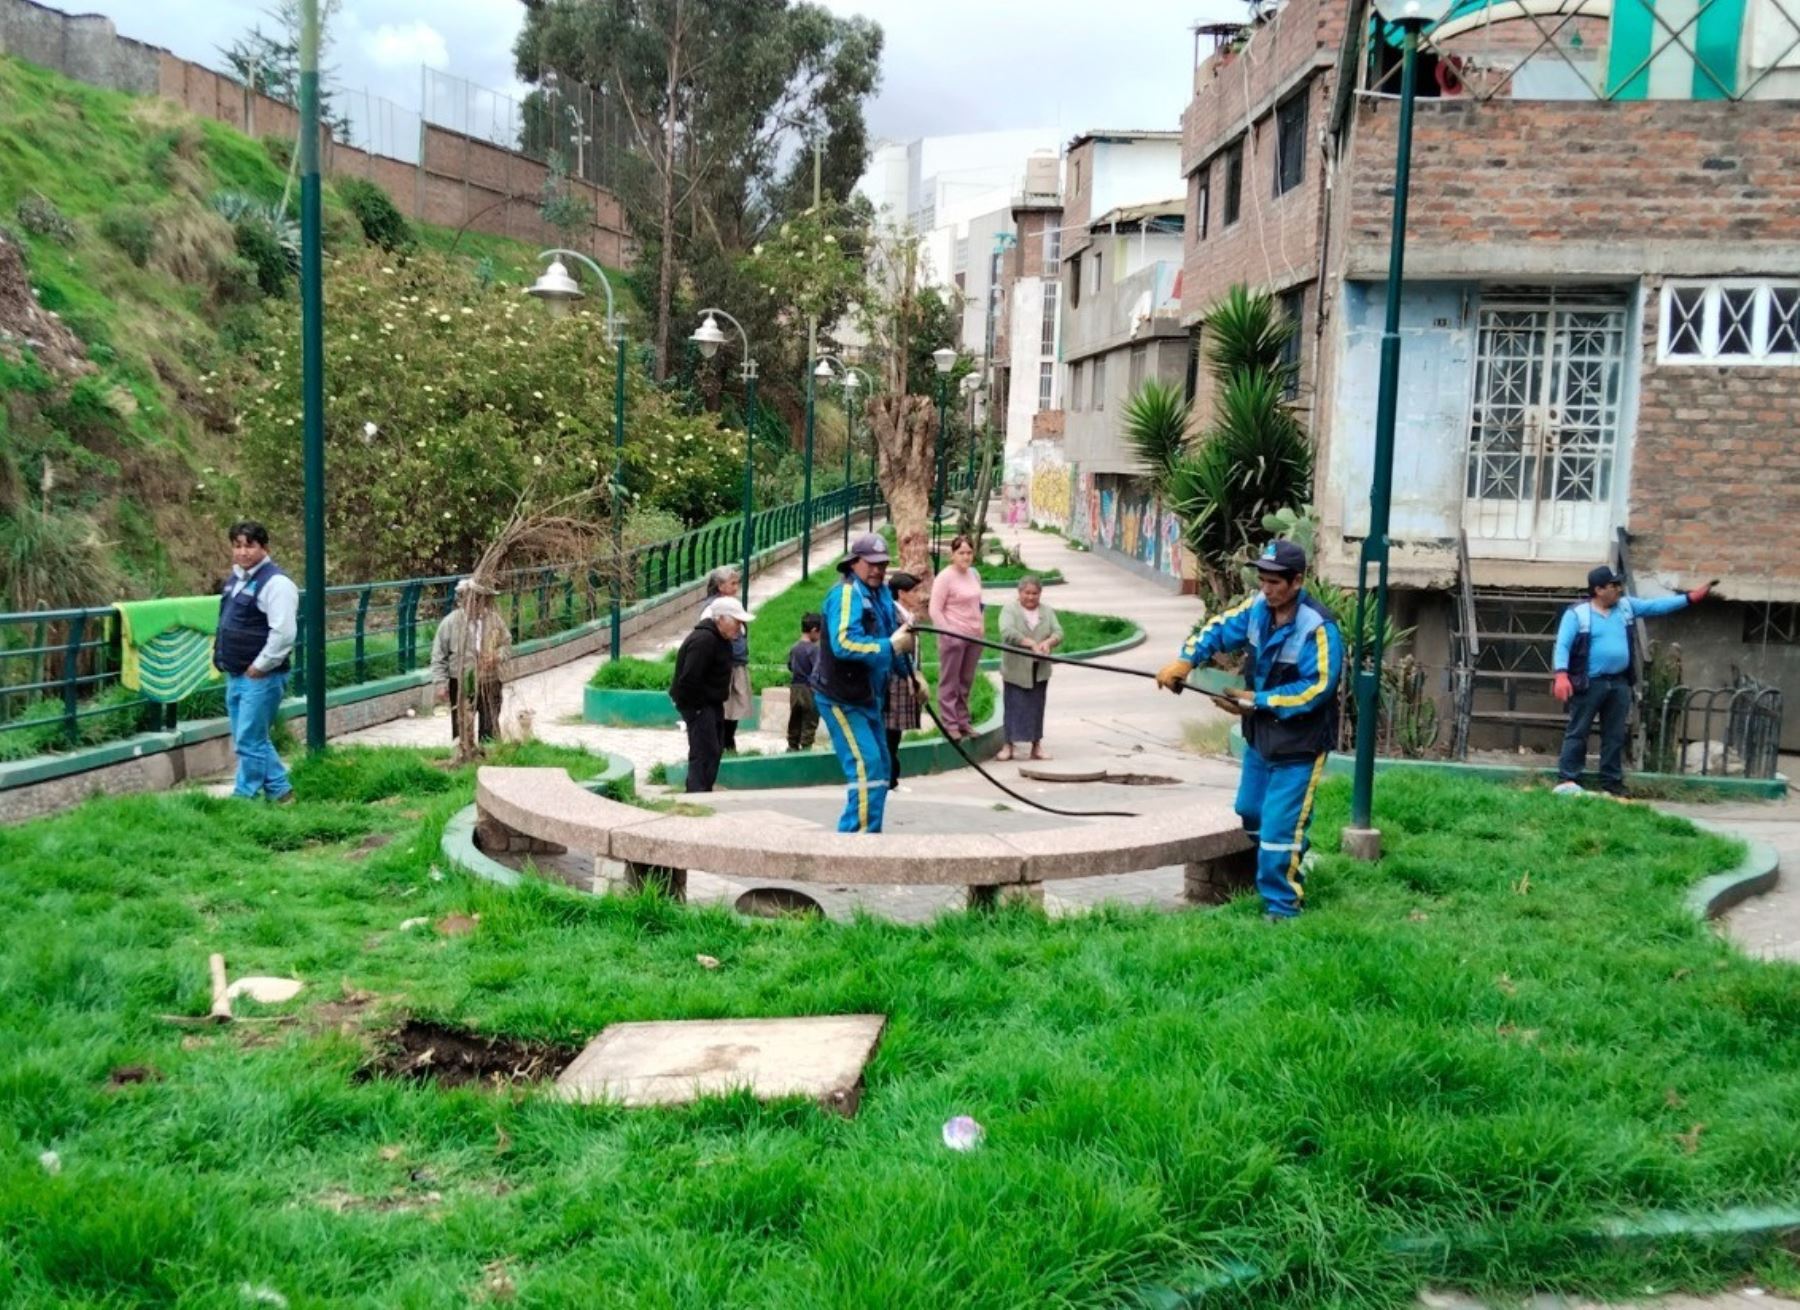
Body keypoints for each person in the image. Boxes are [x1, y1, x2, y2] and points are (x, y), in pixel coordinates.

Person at [1155, 540, 1343, 922]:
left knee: (1277, 828)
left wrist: (1255, 701)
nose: (1267, 589)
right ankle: (1289, 859)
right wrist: (1185, 660)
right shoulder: (1257, 609)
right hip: (1260, 740)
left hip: (1299, 748)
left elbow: (1316, 689)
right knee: (1250, 811)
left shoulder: (1319, 629)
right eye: (1263, 580)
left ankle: (1282, 910)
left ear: (1297, 582)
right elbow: (1220, 628)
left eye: (1275, 582)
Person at [1552, 565, 1712, 796]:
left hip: (1618, 683)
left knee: (1615, 734)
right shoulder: (1578, 614)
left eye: (1619, 584)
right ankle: (1568, 778)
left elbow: (1655, 606)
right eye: (1613, 585)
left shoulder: (1625, 607)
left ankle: (1612, 781)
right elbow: (1563, 645)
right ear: (1598, 590)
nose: (1619, 589)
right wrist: (1561, 674)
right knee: (1578, 731)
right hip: (1589, 683)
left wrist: (1689, 599)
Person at [813, 532, 915, 833]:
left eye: (882, 564)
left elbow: (889, 636)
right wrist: (891, 648)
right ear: (854, 562)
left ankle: (869, 836)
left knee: (882, 768)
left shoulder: (882, 594)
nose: (877, 570)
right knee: (866, 767)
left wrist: (910, 674)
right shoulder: (845, 594)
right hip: (840, 698)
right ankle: (853, 843)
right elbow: (845, 642)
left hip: (870, 696)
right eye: (870, 564)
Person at [214, 519, 298, 804]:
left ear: (264, 547)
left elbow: (284, 632)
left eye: (249, 546)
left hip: (260, 676)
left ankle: (245, 796)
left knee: (249, 740)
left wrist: (261, 665)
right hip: (236, 672)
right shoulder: (236, 580)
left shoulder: (276, 584)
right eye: (237, 546)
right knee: (248, 738)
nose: (242, 552)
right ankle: (281, 791)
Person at [671, 596, 753, 793]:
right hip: (699, 704)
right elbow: (689, 678)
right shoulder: (704, 640)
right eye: (736, 621)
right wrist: (698, 707)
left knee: (714, 749)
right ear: (720, 619)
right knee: (703, 750)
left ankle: (704, 789)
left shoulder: (722, 639)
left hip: (713, 703)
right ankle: (697, 792)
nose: (740, 627)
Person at [430, 578, 511, 745]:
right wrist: (440, 683)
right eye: (474, 598)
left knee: (490, 727)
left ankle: (489, 759)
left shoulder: (495, 620)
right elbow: (439, 656)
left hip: (490, 680)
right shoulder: (450, 622)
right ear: (463, 599)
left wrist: (497, 656)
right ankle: (463, 757)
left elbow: (507, 645)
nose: (479, 603)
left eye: (483, 599)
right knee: (461, 727)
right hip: (460, 682)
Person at [997, 574, 1063, 762]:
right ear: (1019, 593)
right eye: (1027, 593)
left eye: (1035, 593)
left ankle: (1036, 746)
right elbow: (1007, 632)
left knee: (1036, 706)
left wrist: (1048, 643)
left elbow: (1059, 631)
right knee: (1012, 706)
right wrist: (1030, 643)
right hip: (1015, 669)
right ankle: (1008, 745)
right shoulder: (1009, 610)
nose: (1031, 597)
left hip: (1039, 669)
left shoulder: (1047, 611)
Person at [928, 533, 984, 740]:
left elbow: (979, 603)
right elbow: (935, 610)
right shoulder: (945, 577)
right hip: (953, 636)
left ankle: (963, 721)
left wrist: (981, 626)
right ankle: (950, 723)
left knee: (966, 681)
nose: (966, 557)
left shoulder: (974, 575)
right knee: (950, 681)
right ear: (952, 555)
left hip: (974, 636)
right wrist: (949, 634)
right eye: (961, 553)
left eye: (969, 552)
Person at [883, 571, 931, 791]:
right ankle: (888, 780)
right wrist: (910, 676)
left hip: (907, 678)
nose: (918, 596)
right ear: (901, 593)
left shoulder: (908, 616)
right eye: (913, 591)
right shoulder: (895, 616)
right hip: (897, 681)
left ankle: (891, 779)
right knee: (890, 733)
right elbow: (897, 651)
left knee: (895, 733)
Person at [699, 566, 752, 751]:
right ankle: (720, 743)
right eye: (733, 583)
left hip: (736, 663)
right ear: (720, 586)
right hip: (723, 665)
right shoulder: (712, 609)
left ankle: (729, 741)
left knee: (735, 706)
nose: (736, 587)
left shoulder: (734, 604)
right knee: (722, 706)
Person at [786, 613, 823, 752]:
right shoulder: (815, 649)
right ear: (814, 630)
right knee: (810, 719)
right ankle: (807, 747)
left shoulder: (794, 647)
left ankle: (792, 745)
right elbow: (817, 670)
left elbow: (790, 666)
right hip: (810, 689)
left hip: (795, 688)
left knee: (795, 717)